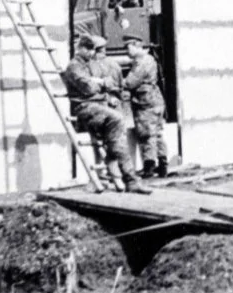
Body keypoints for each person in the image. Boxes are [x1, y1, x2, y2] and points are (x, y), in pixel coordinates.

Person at [61, 34, 150, 194]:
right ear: (80, 48)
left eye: (93, 49)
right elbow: (89, 88)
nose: (91, 53)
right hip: (85, 107)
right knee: (117, 122)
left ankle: (130, 180)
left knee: (117, 141)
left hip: (100, 106)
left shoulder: (90, 65)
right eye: (88, 49)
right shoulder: (75, 66)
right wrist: (101, 83)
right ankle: (124, 179)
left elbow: (109, 84)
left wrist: (99, 83)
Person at [121, 34, 169, 178]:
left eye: (128, 47)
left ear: (137, 46)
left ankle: (149, 167)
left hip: (145, 103)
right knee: (157, 133)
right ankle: (163, 164)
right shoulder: (149, 59)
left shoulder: (141, 63)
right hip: (155, 100)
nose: (126, 51)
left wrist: (117, 82)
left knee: (146, 134)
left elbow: (130, 82)